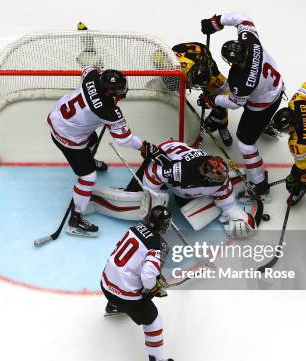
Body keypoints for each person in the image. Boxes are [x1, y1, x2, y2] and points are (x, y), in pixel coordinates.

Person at [48, 66, 155, 237]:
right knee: (88, 177)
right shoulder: (108, 111)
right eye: (117, 90)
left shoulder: (92, 77)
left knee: (92, 139)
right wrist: (143, 146)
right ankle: (76, 218)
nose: (121, 92)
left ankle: (87, 160)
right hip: (69, 138)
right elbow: (124, 139)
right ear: (108, 92)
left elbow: (88, 69)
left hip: (57, 118)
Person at [198, 13, 285, 202]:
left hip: (263, 105)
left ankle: (260, 185)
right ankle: (265, 126)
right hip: (277, 88)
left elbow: (235, 103)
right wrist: (216, 22)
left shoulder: (242, 81)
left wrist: (212, 101)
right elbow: (242, 18)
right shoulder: (250, 41)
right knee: (252, 111)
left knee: (245, 143)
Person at [101, 205, 175, 361]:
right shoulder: (156, 245)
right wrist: (154, 288)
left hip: (105, 284)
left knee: (121, 277)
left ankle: (112, 307)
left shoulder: (134, 228)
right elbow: (148, 276)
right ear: (163, 225)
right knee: (154, 321)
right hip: (125, 297)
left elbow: (128, 255)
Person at [140, 140, 257, 238]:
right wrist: (151, 197)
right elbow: (153, 172)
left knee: (186, 197)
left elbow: (228, 203)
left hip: (185, 163)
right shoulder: (180, 172)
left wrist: (240, 217)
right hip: (168, 153)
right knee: (160, 185)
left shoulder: (222, 179)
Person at [155, 42, 233, 146]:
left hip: (202, 55)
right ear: (189, 75)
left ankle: (222, 126)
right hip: (186, 53)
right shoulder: (177, 64)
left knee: (220, 102)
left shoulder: (213, 75)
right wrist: (164, 70)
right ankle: (159, 82)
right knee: (170, 84)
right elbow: (157, 55)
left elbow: (229, 93)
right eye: (193, 85)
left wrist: (212, 100)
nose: (192, 87)